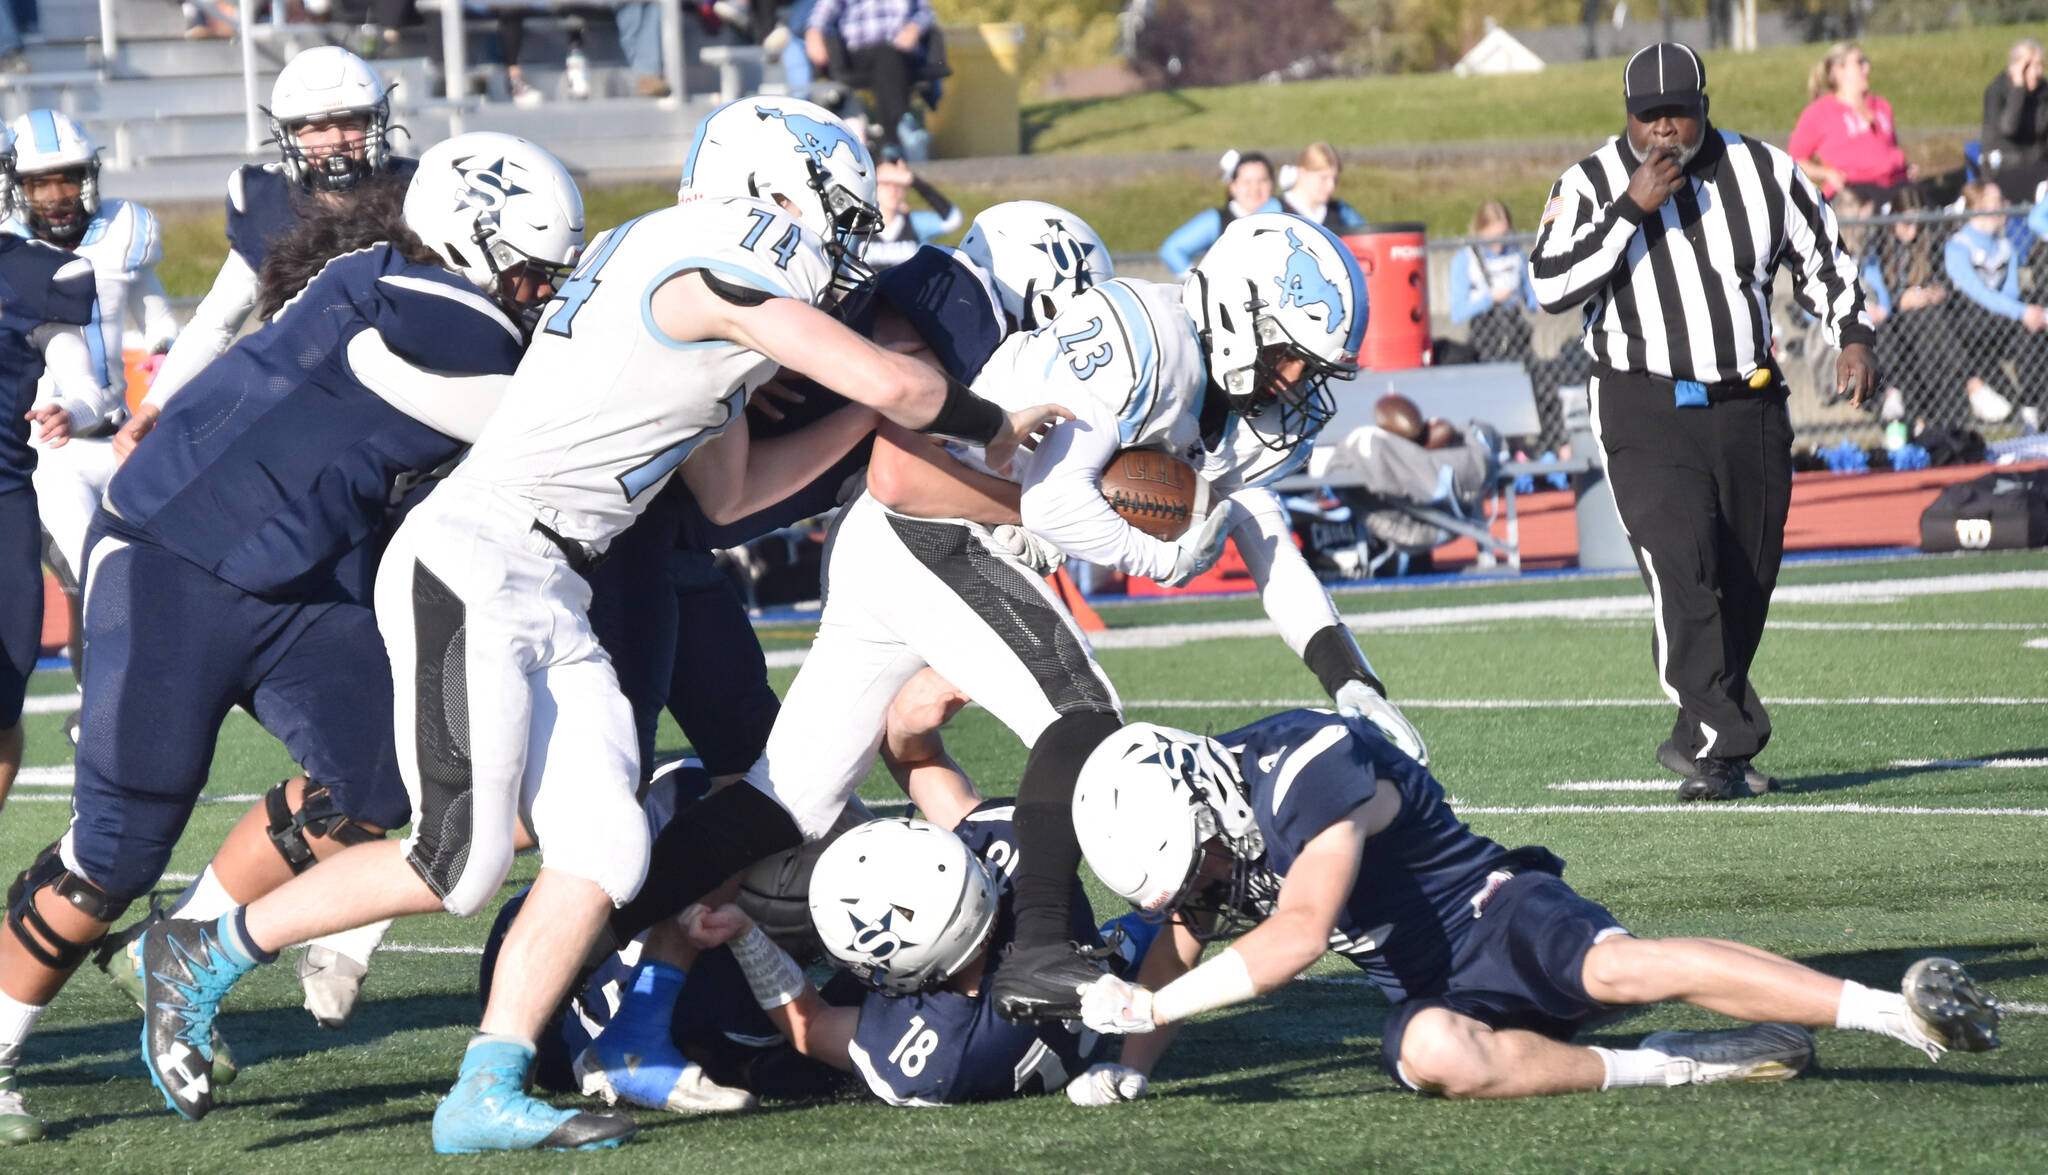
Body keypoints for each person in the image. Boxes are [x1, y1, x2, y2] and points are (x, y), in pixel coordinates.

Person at [134, 96, 1056, 1153]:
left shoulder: (694, 285)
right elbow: (893, 375)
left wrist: (871, 410)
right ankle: (202, 943)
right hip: (476, 556)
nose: (845, 243)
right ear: (770, 192)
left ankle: (486, 1082)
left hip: (551, 582)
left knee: (609, 847)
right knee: (458, 858)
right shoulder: (706, 256)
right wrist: (991, 422)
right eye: (837, 213)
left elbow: (730, 491)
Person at [0, 134, 583, 1147]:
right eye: (534, 272)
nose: (540, 293)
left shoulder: (394, 277)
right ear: (473, 245)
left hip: (294, 578)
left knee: (391, 785)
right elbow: (542, 428)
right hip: (171, 562)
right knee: (116, 845)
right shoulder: (444, 319)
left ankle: (180, 944)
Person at [1064, 712, 2006, 1101]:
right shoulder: (1207, 836)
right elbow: (1179, 947)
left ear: (1205, 796)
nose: (1203, 887)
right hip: (1435, 987)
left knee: (1615, 967)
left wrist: (1152, 1008)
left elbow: (1301, 932)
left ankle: (1895, 1013)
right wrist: (1132, 1069)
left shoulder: (1305, 769)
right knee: (1428, 1053)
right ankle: (1668, 1065)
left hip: (1498, 914)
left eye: (1201, 863)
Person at [564, 668, 1167, 1110]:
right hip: (1053, 1000)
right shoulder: (1030, 890)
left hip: (613, 1005)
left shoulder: (941, 1052)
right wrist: (908, 732)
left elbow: (813, 1026)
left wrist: (747, 937)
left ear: (908, 976)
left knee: (741, 1035)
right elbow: (938, 785)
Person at [1530, 42, 1875, 802]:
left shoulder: (1765, 171)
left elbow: (1824, 255)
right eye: (1646, 115)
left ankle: (1704, 744)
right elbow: (1550, 284)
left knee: (1746, 576)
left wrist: (1853, 334)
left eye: (1675, 113)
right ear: (1626, 115)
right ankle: (1732, 732)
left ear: (1703, 106)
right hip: (1643, 399)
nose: (1661, 129)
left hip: (1748, 401)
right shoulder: (1588, 183)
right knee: (1682, 562)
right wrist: (1630, 209)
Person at [125, 46, 417, 456]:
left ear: (375, 121)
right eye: (315, 128)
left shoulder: (422, 192)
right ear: (289, 135)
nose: (334, 141)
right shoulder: (265, 201)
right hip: (306, 397)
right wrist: (153, 406)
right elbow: (216, 324)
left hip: (406, 394)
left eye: (349, 123)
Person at [5, 110, 179, 712]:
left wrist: (166, 377)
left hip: (123, 439)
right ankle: (106, 719)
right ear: (14, 185)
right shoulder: (9, 253)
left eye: (68, 178)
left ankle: (99, 721)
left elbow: (158, 324)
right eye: (38, 183)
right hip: (48, 451)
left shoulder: (124, 229)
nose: (56, 196)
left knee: (120, 588)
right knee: (103, 583)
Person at [0, 188, 99, 848]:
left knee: (3, 697)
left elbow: (86, 387)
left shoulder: (36, 273)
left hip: (3, 504)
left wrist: (73, 412)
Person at [1941, 181, 2047, 431]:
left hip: (1999, 319)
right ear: (1978, 207)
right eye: (1997, 201)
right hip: (1967, 321)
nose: (2005, 206)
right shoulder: (1957, 246)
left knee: (2030, 331)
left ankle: (2032, 408)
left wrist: (2027, 314)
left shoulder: (2006, 247)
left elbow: (2010, 294)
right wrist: (2023, 312)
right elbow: (1977, 294)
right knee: (2016, 315)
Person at [1788, 42, 1911, 203]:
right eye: (1860, 62)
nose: (1867, 67)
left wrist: (1905, 168)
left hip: (1896, 186)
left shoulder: (1882, 106)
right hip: (1854, 190)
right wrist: (1826, 174)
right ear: (1839, 71)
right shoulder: (1820, 112)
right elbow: (1795, 160)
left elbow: (1888, 152)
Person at [806, 0, 931, 152]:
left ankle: (894, 138)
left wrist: (915, 28)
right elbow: (821, 15)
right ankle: (897, 131)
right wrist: (814, 35)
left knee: (890, 58)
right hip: (858, 53)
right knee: (887, 56)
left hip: (902, 52)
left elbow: (925, 12)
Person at [1159, 150, 1283, 279]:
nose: (1255, 188)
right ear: (1232, 186)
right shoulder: (1217, 220)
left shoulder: (1283, 217)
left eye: (1262, 180)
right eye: (1247, 182)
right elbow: (1172, 250)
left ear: (1272, 184)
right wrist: (1199, 284)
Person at [864, 148, 960, 271]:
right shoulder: (857, 223)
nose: (893, 190)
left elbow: (953, 219)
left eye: (898, 184)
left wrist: (914, 181)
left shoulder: (913, 223)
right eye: (886, 183)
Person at [1982, 38, 2048, 203]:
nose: (2037, 72)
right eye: (2031, 66)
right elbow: (2008, 128)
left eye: (2040, 65)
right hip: (2007, 166)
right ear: (2016, 68)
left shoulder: (2043, 92)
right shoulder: (1996, 92)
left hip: (2039, 163)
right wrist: (2018, 90)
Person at [1280, 142, 1365, 232]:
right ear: (1303, 173)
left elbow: (1366, 239)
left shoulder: (1342, 212)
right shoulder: (1275, 211)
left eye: (1335, 179)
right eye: (1324, 178)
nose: (1331, 186)